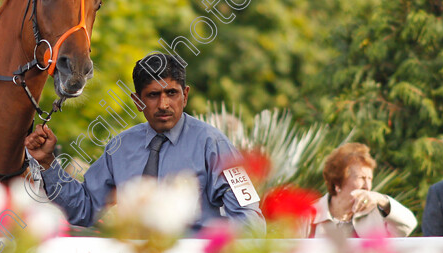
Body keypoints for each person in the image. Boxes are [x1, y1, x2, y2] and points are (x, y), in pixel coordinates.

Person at [25, 53, 266, 234]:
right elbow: (84, 209)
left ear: (186, 95)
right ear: (138, 101)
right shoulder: (119, 148)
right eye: (153, 95)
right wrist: (47, 163)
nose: (163, 104)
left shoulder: (214, 144)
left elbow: (248, 218)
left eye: (172, 93)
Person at [304, 143, 416, 238]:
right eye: (361, 178)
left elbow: (408, 225)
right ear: (338, 182)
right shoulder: (310, 215)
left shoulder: (375, 213)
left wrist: (382, 200)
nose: (367, 186)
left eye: (370, 179)